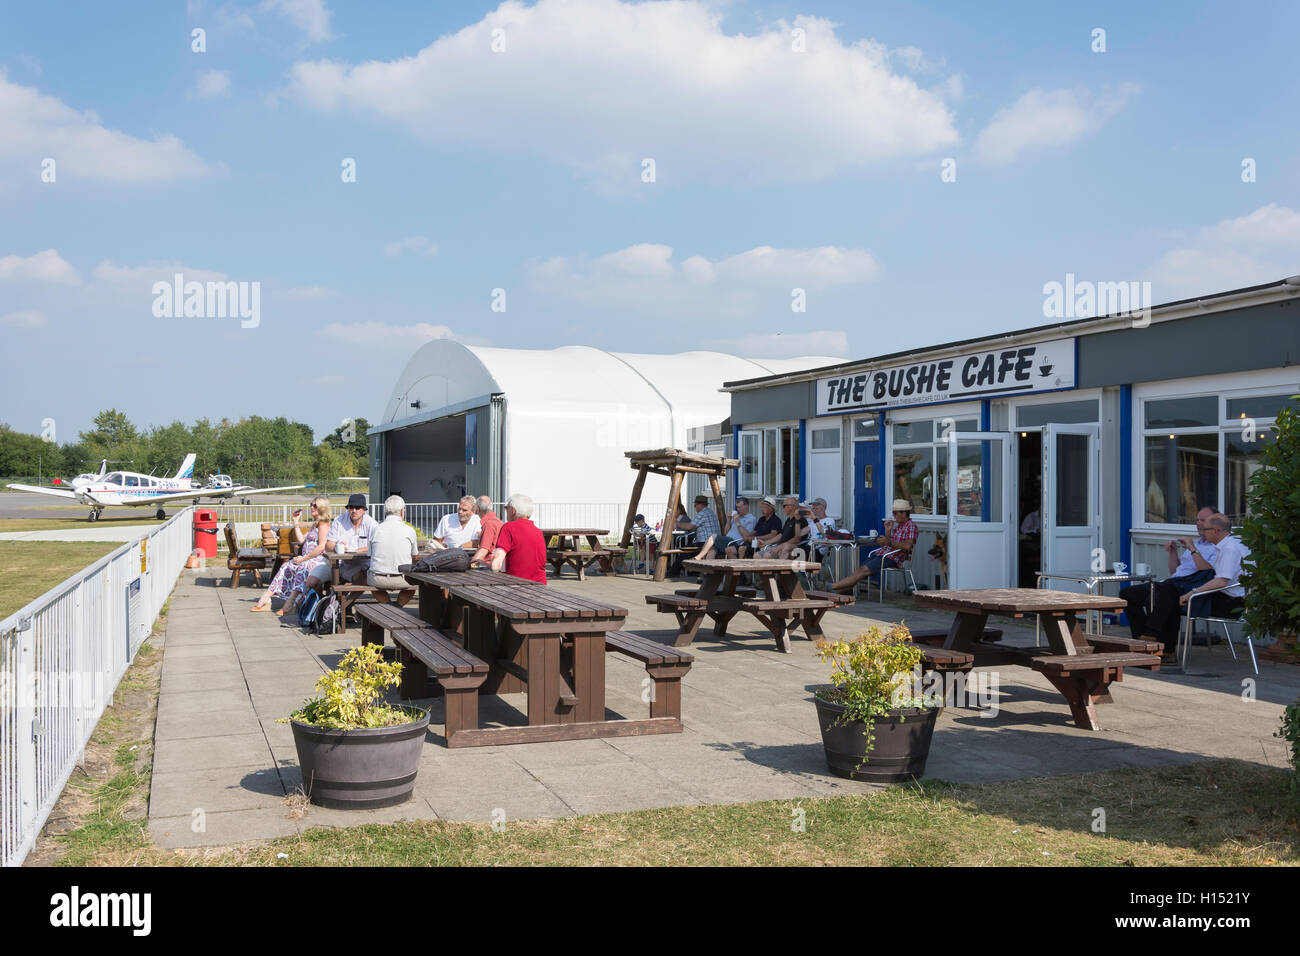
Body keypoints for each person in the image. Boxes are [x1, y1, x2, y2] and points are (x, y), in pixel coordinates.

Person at [1121, 506, 1219, 648]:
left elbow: (1205, 571)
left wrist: (1192, 548)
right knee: (1127, 594)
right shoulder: (1198, 543)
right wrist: (1173, 552)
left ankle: (1155, 638)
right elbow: (1175, 571)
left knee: (1158, 595)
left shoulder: (1215, 547)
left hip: (1190, 587)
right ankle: (1140, 637)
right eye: (1197, 520)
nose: (1198, 523)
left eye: (1202, 520)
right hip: (1174, 582)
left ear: (1214, 525)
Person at [1164, 514, 1251, 659]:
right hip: (1228, 597)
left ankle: (1167, 651)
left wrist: (1191, 593)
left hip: (1231, 603)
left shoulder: (1229, 549)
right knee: (1170, 597)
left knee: (1171, 601)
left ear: (1216, 531)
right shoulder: (1229, 545)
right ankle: (1164, 649)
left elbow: (1221, 581)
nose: (1202, 532)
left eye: (1205, 529)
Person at [251, 496, 332, 616]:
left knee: (302, 567)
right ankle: (266, 598)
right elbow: (301, 540)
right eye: (311, 504)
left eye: (315, 505)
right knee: (286, 566)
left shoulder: (324, 524)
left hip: (318, 559)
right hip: (307, 557)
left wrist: (304, 558)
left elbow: (321, 547)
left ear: (322, 507)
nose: (311, 507)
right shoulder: (315, 524)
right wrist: (296, 522)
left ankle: (292, 603)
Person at [831, 499, 917, 593]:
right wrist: (888, 531)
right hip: (883, 554)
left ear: (904, 513)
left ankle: (832, 587)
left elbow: (907, 546)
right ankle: (841, 590)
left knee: (863, 570)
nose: (893, 516)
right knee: (860, 570)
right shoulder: (899, 526)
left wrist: (887, 542)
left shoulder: (911, 526)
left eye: (895, 513)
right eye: (893, 513)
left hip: (891, 558)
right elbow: (889, 543)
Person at [367, 495, 419, 605]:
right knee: (415, 583)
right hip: (403, 579)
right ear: (402, 512)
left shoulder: (375, 529)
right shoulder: (409, 530)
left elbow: (370, 554)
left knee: (370, 581)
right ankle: (397, 607)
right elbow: (415, 556)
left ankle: (388, 606)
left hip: (378, 578)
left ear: (385, 511)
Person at [316, 492, 377, 586]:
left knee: (362, 577)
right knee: (313, 581)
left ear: (364, 510)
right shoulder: (339, 521)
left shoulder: (372, 524)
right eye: (351, 507)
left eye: (357, 508)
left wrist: (357, 551)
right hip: (340, 564)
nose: (354, 510)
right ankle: (331, 598)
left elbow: (377, 546)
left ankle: (343, 599)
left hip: (364, 564)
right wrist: (337, 547)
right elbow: (328, 546)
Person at [490, 493, 548, 583]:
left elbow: (496, 565)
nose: (505, 511)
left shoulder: (508, 527)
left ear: (513, 510)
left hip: (516, 584)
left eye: (506, 508)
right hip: (540, 584)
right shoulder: (538, 532)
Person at [678, 494, 723, 559]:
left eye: (695, 504)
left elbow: (689, 527)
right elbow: (693, 527)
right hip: (714, 542)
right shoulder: (710, 512)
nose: (694, 506)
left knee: (683, 554)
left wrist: (677, 524)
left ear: (701, 505)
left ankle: (674, 568)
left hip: (705, 542)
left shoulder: (702, 513)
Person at [470, 496, 504, 566]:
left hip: (488, 565)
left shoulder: (489, 524)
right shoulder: (499, 522)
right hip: (497, 563)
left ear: (478, 509)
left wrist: (471, 565)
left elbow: (484, 550)